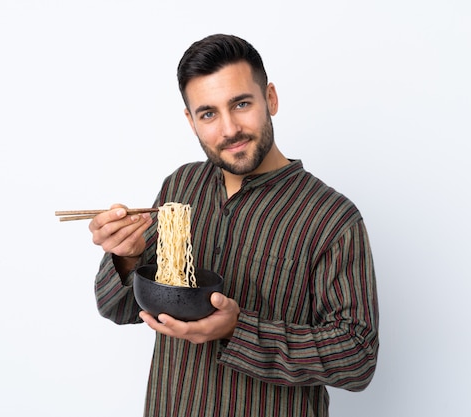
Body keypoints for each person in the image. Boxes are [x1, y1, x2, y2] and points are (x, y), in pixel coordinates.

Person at [89, 34, 379, 417]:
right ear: (191, 122)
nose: (229, 130)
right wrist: (126, 257)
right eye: (208, 113)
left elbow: (357, 357)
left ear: (270, 99)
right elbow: (118, 308)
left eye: (241, 104)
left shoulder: (332, 218)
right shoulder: (181, 187)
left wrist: (236, 329)